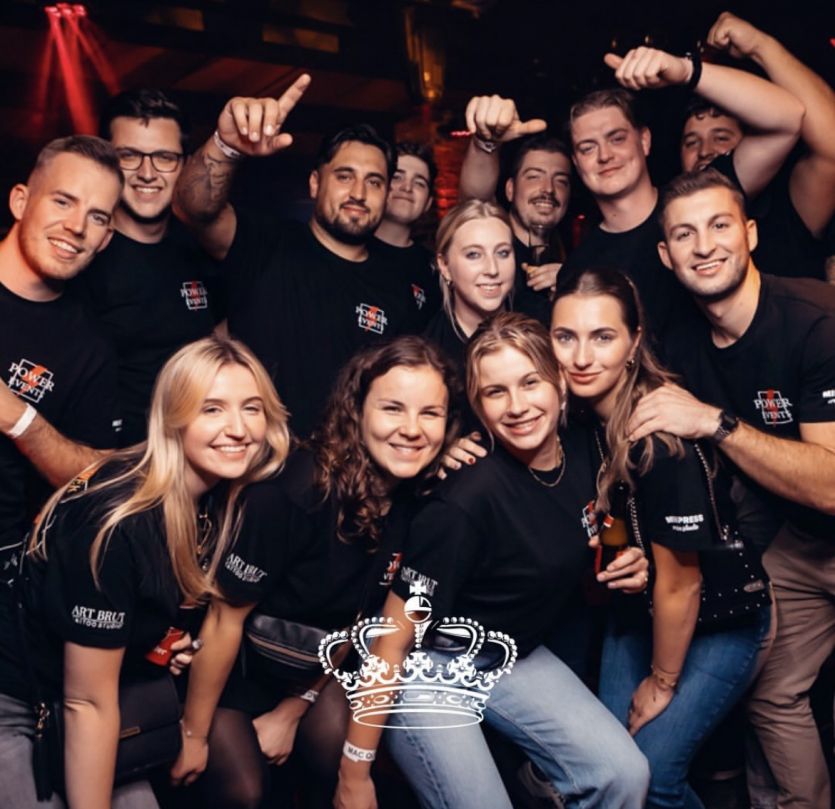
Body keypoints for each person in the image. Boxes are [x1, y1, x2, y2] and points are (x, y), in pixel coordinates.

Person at [335, 312, 651, 809]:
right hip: (426, 665)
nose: (518, 406)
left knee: (622, 774)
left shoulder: (586, 446)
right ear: (478, 406)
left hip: (510, 653)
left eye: (530, 383)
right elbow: (391, 642)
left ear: (560, 383)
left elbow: (590, 531)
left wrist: (630, 561)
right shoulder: (464, 501)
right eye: (495, 392)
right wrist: (354, 772)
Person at [169, 336, 461, 809]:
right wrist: (193, 734)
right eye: (392, 408)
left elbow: (355, 621)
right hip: (231, 673)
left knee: (334, 748)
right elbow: (223, 623)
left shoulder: (417, 505)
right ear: (357, 410)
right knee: (244, 789)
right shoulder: (296, 492)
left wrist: (293, 709)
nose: (412, 429)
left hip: (308, 671)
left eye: (430, 413)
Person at [0, 335, 290, 809]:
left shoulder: (223, 497)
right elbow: (85, 704)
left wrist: (159, 642)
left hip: (96, 695)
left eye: (252, 409)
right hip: (15, 700)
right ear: (173, 417)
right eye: (212, 409)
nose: (238, 429)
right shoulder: (118, 523)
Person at [626, 168, 835, 808]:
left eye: (719, 225)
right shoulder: (680, 345)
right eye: (684, 234)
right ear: (666, 255)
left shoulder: (817, 320)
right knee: (770, 693)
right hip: (802, 545)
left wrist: (715, 423)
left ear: (750, 234)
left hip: (820, 512)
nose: (704, 246)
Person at [551, 266, 773, 809]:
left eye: (603, 337)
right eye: (565, 337)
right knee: (611, 769)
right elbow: (610, 511)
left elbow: (682, 584)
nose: (582, 357)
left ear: (633, 343)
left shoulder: (661, 442)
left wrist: (662, 682)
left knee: (652, 776)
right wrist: (621, 558)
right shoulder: (579, 421)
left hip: (718, 617)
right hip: (638, 613)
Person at [174, 76, 429, 437]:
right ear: (314, 184)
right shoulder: (265, 242)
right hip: (253, 457)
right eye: (344, 176)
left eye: (374, 182)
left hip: (349, 465)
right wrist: (225, 147)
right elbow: (193, 208)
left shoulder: (397, 285)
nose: (359, 193)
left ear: (386, 195)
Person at [562, 46, 804, 342]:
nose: (604, 155)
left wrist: (688, 71)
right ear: (576, 163)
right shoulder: (579, 269)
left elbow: (788, 119)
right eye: (588, 148)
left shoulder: (699, 199)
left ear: (644, 141)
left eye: (617, 138)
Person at [69, 89, 224, 446]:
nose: (147, 173)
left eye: (164, 157)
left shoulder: (200, 247)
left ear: (184, 165)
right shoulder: (80, 253)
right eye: (129, 156)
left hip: (192, 455)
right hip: (110, 459)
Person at [0, 135, 123, 575]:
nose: (76, 226)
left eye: (97, 216)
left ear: (105, 239)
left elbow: (98, 477)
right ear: (20, 201)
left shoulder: (89, 346)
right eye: (63, 201)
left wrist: (19, 418)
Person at [679, 12, 835, 281]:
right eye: (691, 142)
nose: (705, 151)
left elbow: (831, 143)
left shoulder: (786, 206)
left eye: (721, 137)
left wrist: (759, 46)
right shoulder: (674, 227)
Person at [459, 98, 570, 323]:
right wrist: (486, 142)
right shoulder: (491, 242)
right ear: (510, 190)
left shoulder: (574, 259)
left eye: (560, 181)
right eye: (534, 177)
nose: (548, 189)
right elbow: (474, 201)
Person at [372, 141, 441, 325]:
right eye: (397, 177)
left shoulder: (435, 269)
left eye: (419, 183)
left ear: (428, 203)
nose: (407, 187)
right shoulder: (349, 250)